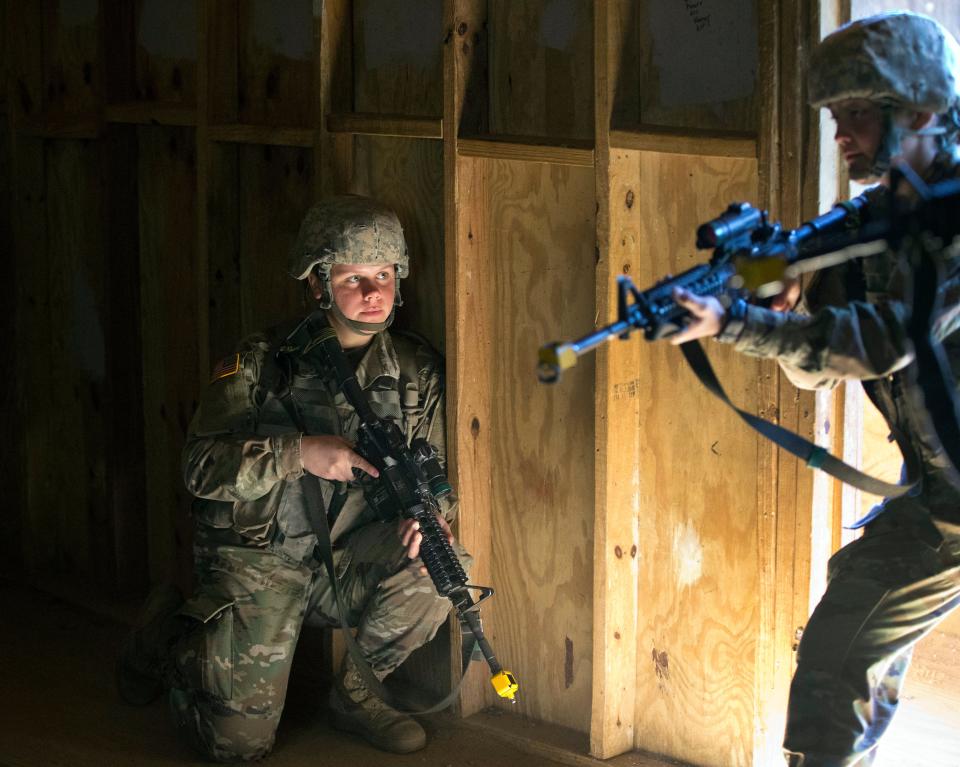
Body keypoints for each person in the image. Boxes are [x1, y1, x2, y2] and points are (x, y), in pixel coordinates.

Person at [670, 11, 960, 766]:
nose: (840, 138)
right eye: (836, 118)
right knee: (855, 602)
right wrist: (764, 286)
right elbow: (817, 298)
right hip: (939, 484)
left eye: (855, 115)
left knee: (836, 657)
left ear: (921, 108)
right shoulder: (890, 205)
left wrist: (733, 322)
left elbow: (885, 339)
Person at [117, 195, 469, 760]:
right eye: (353, 277)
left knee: (444, 566)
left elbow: (435, 471)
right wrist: (297, 454)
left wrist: (431, 519)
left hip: (346, 559)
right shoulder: (261, 361)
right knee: (237, 747)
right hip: (260, 563)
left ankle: (357, 697)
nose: (372, 292)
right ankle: (165, 641)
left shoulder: (416, 371)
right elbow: (199, 468)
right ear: (317, 284)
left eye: (383, 274)